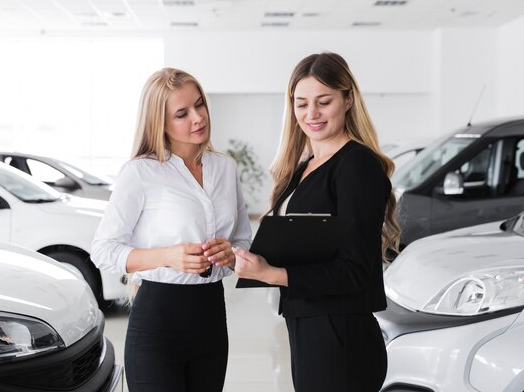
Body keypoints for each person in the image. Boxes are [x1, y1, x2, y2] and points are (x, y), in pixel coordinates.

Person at [234, 52, 400, 392]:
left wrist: (270, 274)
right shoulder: (305, 165)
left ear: (348, 99)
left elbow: (355, 270)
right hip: (308, 324)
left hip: (340, 334)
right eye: (301, 103)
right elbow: (305, 246)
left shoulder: (356, 166)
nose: (311, 114)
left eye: (323, 102)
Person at [90, 67, 252, 392]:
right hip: (157, 322)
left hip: (211, 317)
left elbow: (243, 239)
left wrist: (231, 254)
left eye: (200, 104)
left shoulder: (225, 168)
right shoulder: (140, 173)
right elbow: (103, 250)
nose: (198, 118)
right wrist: (167, 256)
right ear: (159, 123)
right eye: (182, 113)